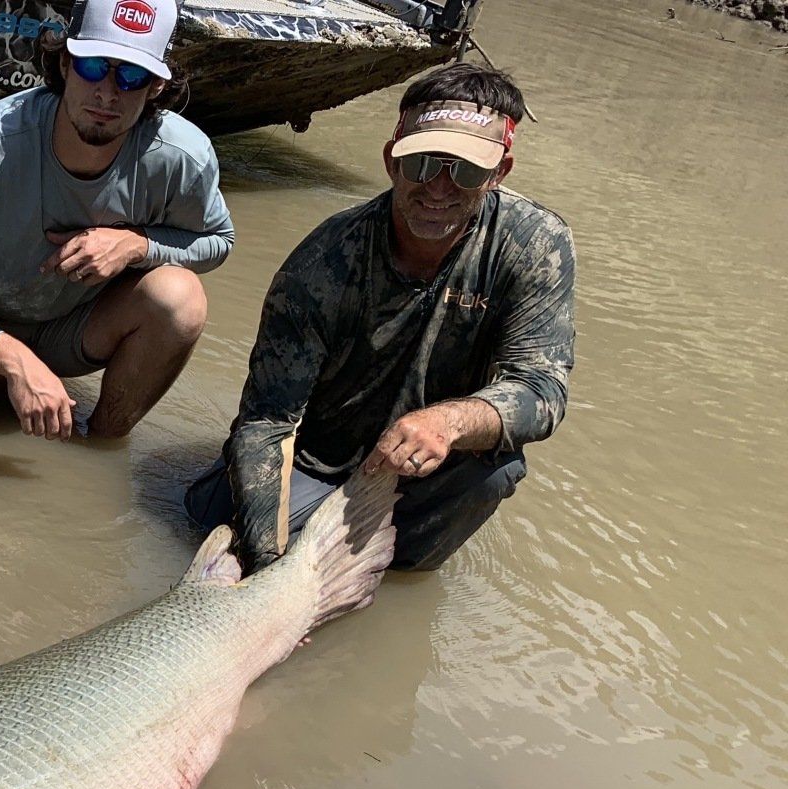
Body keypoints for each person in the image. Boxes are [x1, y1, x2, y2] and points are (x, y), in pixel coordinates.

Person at [185, 63, 575, 571]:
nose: (438, 188)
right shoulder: (324, 260)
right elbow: (266, 424)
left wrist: (447, 421)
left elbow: (541, 390)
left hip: (424, 468)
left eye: (466, 170)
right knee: (207, 528)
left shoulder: (534, 245)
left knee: (498, 470)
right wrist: (267, 565)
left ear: (500, 172)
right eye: (422, 164)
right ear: (392, 160)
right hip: (316, 462)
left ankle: (393, 572)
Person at [0, 0, 234, 442]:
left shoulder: (184, 157)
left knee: (181, 298)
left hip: (71, 329)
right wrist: (16, 361)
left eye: (131, 76)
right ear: (65, 61)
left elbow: (218, 240)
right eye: (94, 66)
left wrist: (138, 245)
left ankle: (96, 444)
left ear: (155, 87)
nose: (107, 93)